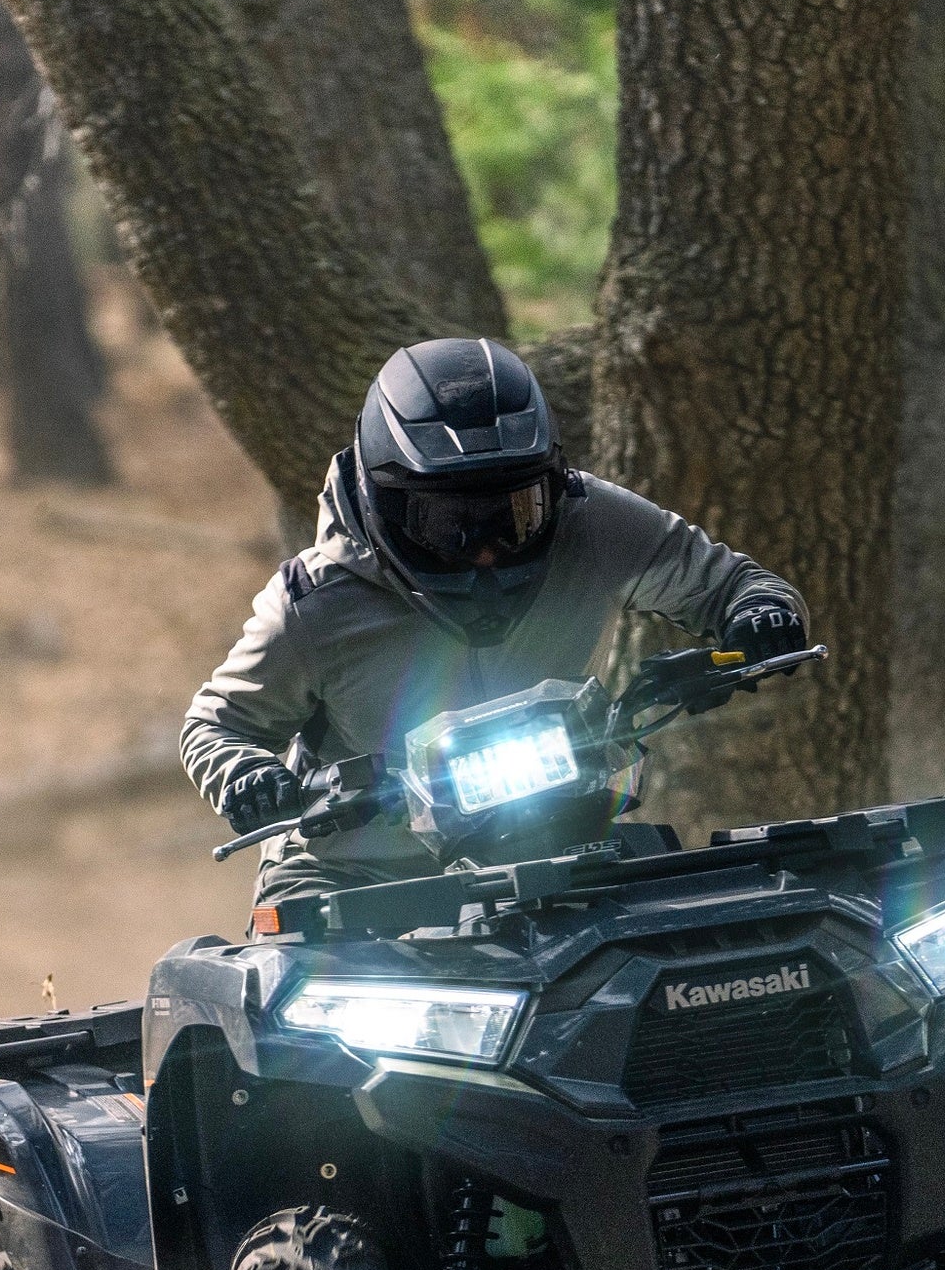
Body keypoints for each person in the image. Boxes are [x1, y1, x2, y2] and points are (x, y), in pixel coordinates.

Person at [182, 337, 809, 902]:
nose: (485, 551)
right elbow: (215, 725)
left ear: (552, 482)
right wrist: (247, 775)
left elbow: (735, 584)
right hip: (354, 873)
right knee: (303, 983)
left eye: (516, 515)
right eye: (450, 524)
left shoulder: (594, 523)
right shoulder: (314, 603)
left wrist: (762, 616)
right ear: (384, 501)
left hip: (556, 840)